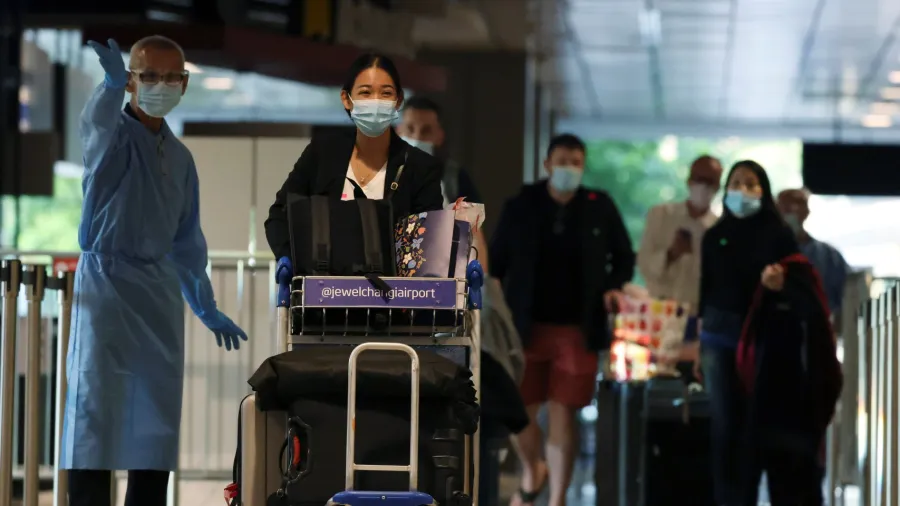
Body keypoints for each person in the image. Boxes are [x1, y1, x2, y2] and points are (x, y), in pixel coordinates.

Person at [61, 37, 248, 506]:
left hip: (158, 298)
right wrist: (108, 87)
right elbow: (94, 124)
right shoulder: (111, 138)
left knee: (155, 425)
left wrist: (205, 305)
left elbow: (187, 242)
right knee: (94, 419)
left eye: (169, 77)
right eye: (147, 76)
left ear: (183, 84)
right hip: (105, 291)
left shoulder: (181, 159)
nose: (159, 86)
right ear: (130, 82)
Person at [491, 134, 635, 506]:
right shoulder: (522, 205)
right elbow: (496, 261)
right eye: (562, 161)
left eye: (575, 162)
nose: (568, 168)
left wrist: (613, 287)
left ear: (583, 166)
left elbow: (624, 256)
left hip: (577, 328)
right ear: (547, 164)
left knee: (564, 413)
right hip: (526, 327)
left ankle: (557, 499)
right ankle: (532, 469)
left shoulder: (599, 206)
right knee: (520, 412)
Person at [264, 53, 444, 264]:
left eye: (386, 93)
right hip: (324, 281)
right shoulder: (322, 153)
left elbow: (429, 243)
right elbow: (280, 214)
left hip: (393, 283)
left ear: (398, 101)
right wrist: (286, 258)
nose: (375, 101)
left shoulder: (420, 167)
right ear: (346, 99)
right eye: (365, 92)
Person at [693, 160, 799, 506]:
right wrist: (699, 346)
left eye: (751, 184)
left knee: (754, 426)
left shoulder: (779, 235)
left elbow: (797, 286)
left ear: (763, 191)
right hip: (718, 338)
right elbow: (706, 291)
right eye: (736, 183)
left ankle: (749, 496)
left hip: (762, 339)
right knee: (724, 425)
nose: (742, 190)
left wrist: (780, 283)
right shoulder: (714, 236)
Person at [637, 155, 722, 361]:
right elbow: (644, 264)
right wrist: (671, 254)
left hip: (697, 319)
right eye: (699, 179)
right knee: (656, 374)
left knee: (693, 374)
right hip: (659, 313)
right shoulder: (661, 215)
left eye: (710, 181)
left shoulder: (719, 228)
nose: (703, 187)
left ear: (718, 186)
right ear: (689, 180)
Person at [396, 96, 490, 271]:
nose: (417, 137)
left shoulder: (454, 177)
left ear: (439, 135)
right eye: (410, 129)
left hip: (442, 275)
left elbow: (475, 235)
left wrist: (479, 279)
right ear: (398, 131)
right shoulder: (380, 175)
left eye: (426, 131)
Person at [777, 188, 850, 315]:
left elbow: (844, 300)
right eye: (787, 204)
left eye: (799, 203)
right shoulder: (766, 253)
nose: (794, 209)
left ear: (807, 211)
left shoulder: (830, 256)